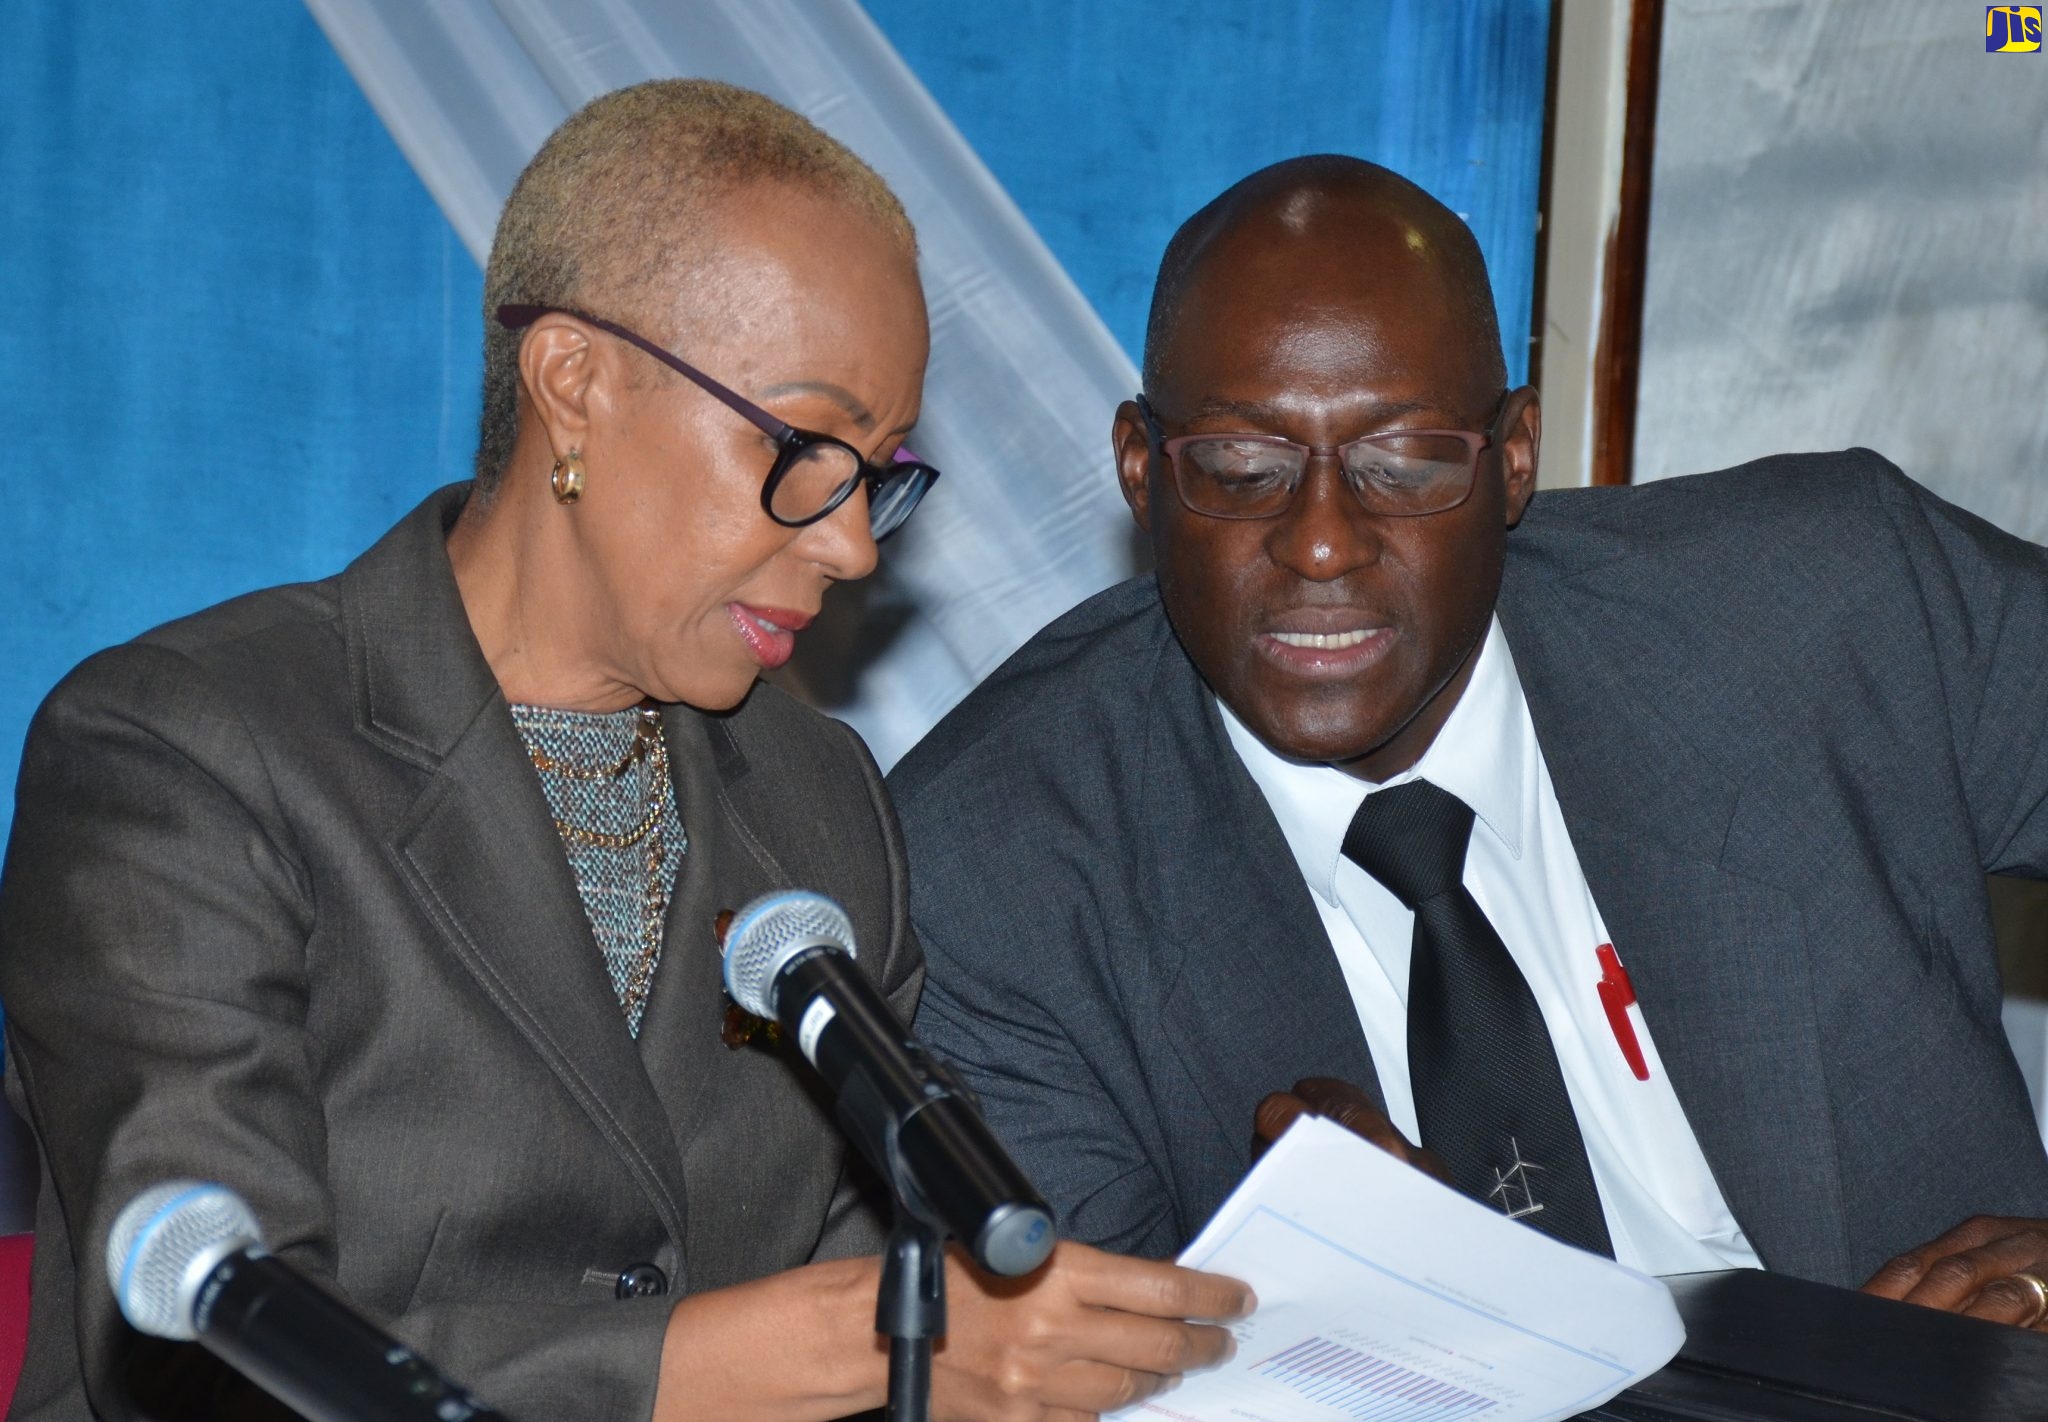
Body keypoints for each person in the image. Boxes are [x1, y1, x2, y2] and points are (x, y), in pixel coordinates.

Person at [0, 80, 1249, 1422]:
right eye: (807, 446)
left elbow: (879, 1323)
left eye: (879, 467)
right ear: (575, 383)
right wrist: (814, 1347)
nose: (853, 542)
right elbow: (211, 1356)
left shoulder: (822, 807)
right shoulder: (188, 750)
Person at [891, 154, 2048, 1329]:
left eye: (1403, 464)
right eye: (1242, 469)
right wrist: (1342, 1324)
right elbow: (1083, 1385)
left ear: (1511, 460)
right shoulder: (987, 888)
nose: (1324, 543)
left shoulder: (1834, 605)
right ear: (1142, 472)